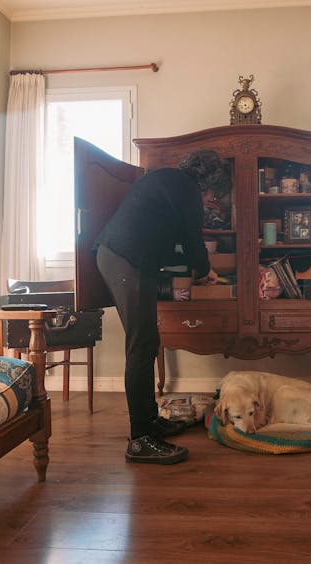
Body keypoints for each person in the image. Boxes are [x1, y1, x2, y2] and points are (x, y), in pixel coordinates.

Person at [95, 149, 231, 464]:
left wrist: (196, 267)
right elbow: (193, 239)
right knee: (141, 346)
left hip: (123, 258)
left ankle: (150, 421)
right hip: (125, 260)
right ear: (206, 183)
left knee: (148, 341)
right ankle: (140, 439)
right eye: (213, 195)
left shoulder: (169, 182)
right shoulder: (185, 188)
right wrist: (204, 269)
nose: (211, 201)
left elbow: (173, 241)